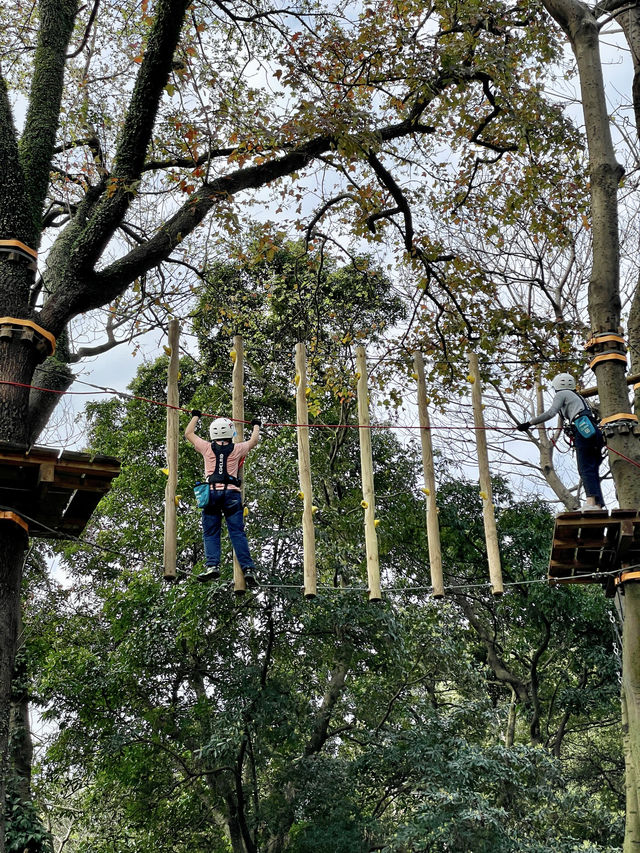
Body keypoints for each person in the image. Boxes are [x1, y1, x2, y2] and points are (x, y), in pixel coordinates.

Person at [185, 411, 261, 583]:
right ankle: (248, 568)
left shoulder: (206, 447)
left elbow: (188, 433)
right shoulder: (237, 448)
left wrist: (196, 416)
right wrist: (256, 426)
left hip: (210, 494)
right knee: (237, 532)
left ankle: (212, 566)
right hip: (231, 495)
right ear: (230, 432)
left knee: (211, 532)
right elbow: (254, 441)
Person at [516, 373, 605, 510]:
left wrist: (529, 423)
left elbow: (551, 412)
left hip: (583, 430)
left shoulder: (562, 393)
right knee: (592, 468)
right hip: (594, 432)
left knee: (585, 468)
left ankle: (591, 503)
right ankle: (597, 504)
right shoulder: (579, 398)